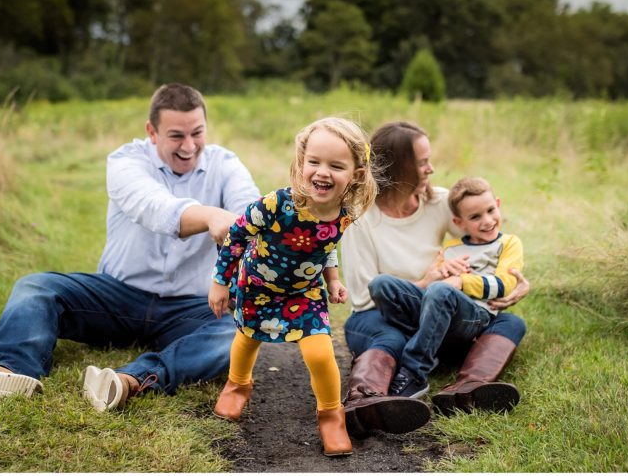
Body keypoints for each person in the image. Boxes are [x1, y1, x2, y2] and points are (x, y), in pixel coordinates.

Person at [0, 83, 260, 411]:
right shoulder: (126, 162)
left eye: (197, 133)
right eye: (176, 135)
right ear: (151, 132)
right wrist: (212, 216)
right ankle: (9, 370)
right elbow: (156, 208)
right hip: (117, 297)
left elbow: (249, 211)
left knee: (236, 333)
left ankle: (130, 380)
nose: (189, 145)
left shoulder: (226, 164)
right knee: (37, 286)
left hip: (190, 306)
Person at [339, 121, 530, 436]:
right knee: (390, 334)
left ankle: (468, 389)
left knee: (510, 323)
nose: (431, 168)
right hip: (386, 313)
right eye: (423, 161)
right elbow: (362, 297)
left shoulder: (440, 203)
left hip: (440, 313)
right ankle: (363, 403)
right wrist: (426, 283)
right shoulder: (361, 219)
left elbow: (488, 243)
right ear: (400, 167)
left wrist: (517, 283)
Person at [208, 117, 378, 457]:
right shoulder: (275, 205)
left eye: (335, 165)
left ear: (356, 175)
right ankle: (237, 385)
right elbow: (236, 237)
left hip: (304, 292)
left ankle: (331, 415)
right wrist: (220, 282)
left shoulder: (343, 214)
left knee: (320, 352)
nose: (322, 172)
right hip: (258, 286)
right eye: (313, 162)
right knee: (247, 339)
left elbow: (325, 249)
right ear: (301, 163)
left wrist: (333, 279)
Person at [372, 176, 524, 414]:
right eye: (475, 217)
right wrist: (440, 273)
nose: (487, 221)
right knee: (382, 284)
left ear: (497, 203)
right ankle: (420, 342)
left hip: (476, 316)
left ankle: (414, 371)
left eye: (490, 210)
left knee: (443, 291)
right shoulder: (452, 247)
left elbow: (504, 283)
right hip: (441, 308)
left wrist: (461, 281)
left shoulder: (508, 243)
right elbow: (436, 287)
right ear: (458, 221)